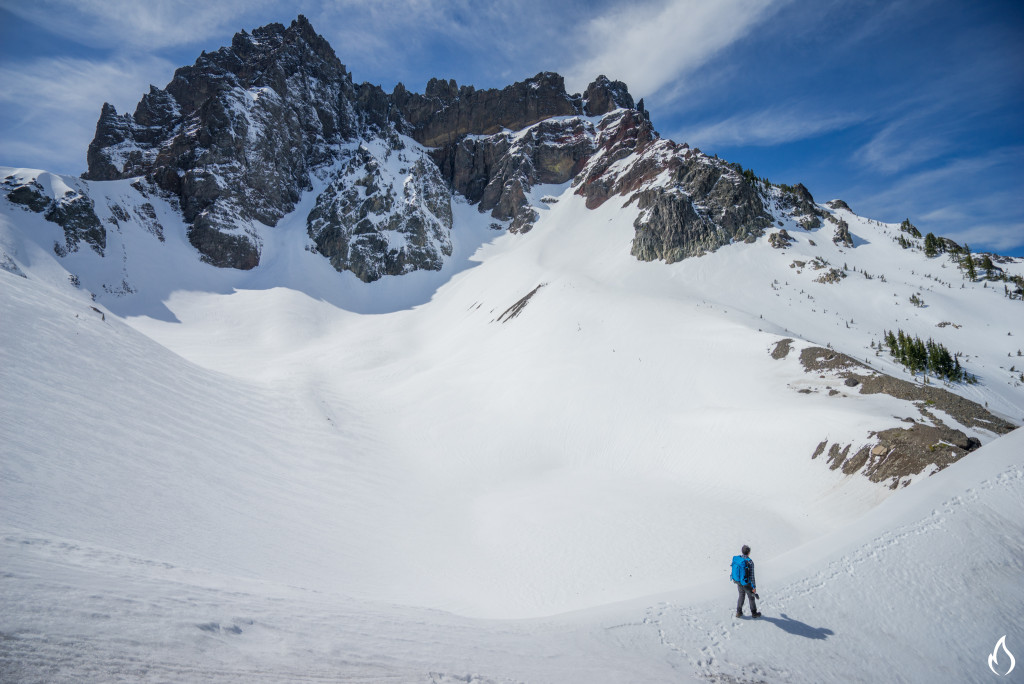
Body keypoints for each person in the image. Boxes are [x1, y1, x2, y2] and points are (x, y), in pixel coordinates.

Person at [731, 545, 761, 618]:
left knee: (741, 596)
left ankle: (738, 612)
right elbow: (751, 576)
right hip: (747, 583)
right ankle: (754, 613)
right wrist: (753, 587)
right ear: (749, 552)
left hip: (739, 582)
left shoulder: (738, 559)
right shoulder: (750, 562)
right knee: (751, 597)